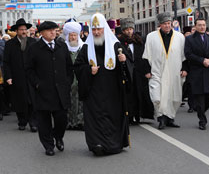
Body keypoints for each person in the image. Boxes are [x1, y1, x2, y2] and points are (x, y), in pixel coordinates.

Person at [74, 13, 129, 156]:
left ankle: (113, 144)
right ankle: (96, 144)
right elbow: (78, 67)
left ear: (104, 28)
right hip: (93, 91)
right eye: (94, 29)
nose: (96, 32)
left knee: (112, 117)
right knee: (95, 118)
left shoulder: (115, 45)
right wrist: (88, 70)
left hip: (113, 91)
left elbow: (129, 67)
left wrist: (124, 61)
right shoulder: (86, 48)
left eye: (99, 29)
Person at [26, 21, 73, 156]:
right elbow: (29, 69)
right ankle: (48, 145)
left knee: (61, 119)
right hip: (43, 91)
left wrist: (67, 82)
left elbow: (69, 67)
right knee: (44, 120)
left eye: (55, 30)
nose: (53, 32)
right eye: (50, 30)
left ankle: (58, 137)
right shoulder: (34, 48)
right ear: (42, 33)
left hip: (61, 90)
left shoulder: (62, 46)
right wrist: (37, 84)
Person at [143, 12, 188, 130]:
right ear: (160, 25)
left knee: (174, 96)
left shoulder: (180, 37)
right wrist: (147, 71)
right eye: (164, 24)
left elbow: (184, 55)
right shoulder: (151, 37)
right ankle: (161, 118)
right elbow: (146, 55)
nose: (167, 26)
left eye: (169, 23)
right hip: (157, 71)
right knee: (157, 97)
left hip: (174, 72)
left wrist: (184, 69)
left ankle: (170, 118)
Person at [185, 18, 209, 130]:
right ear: (195, 27)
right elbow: (188, 54)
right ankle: (202, 120)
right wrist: (202, 60)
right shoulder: (190, 39)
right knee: (199, 97)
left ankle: (200, 110)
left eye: (204, 25)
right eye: (199, 25)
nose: (202, 27)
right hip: (197, 71)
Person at [4, 18, 38, 132]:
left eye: (25, 29)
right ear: (17, 31)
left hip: (31, 76)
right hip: (17, 76)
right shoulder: (10, 44)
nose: (24, 31)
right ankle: (22, 121)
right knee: (19, 100)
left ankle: (33, 123)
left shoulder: (33, 42)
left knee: (32, 100)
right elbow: (6, 62)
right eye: (21, 29)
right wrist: (8, 76)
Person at [118, 18, 154, 124]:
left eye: (130, 29)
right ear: (123, 30)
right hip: (126, 72)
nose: (129, 31)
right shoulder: (119, 42)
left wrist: (147, 70)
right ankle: (129, 116)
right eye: (126, 29)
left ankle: (139, 114)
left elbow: (146, 56)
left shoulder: (139, 41)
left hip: (139, 71)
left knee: (140, 93)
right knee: (129, 94)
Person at [63, 21, 85, 130]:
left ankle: (80, 121)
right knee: (69, 99)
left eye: (74, 35)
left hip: (80, 78)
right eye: (71, 35)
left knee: (81, 100)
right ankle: (69, 121)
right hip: (68, 78)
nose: (73, 37)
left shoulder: (83, 47)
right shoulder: (63, 48)